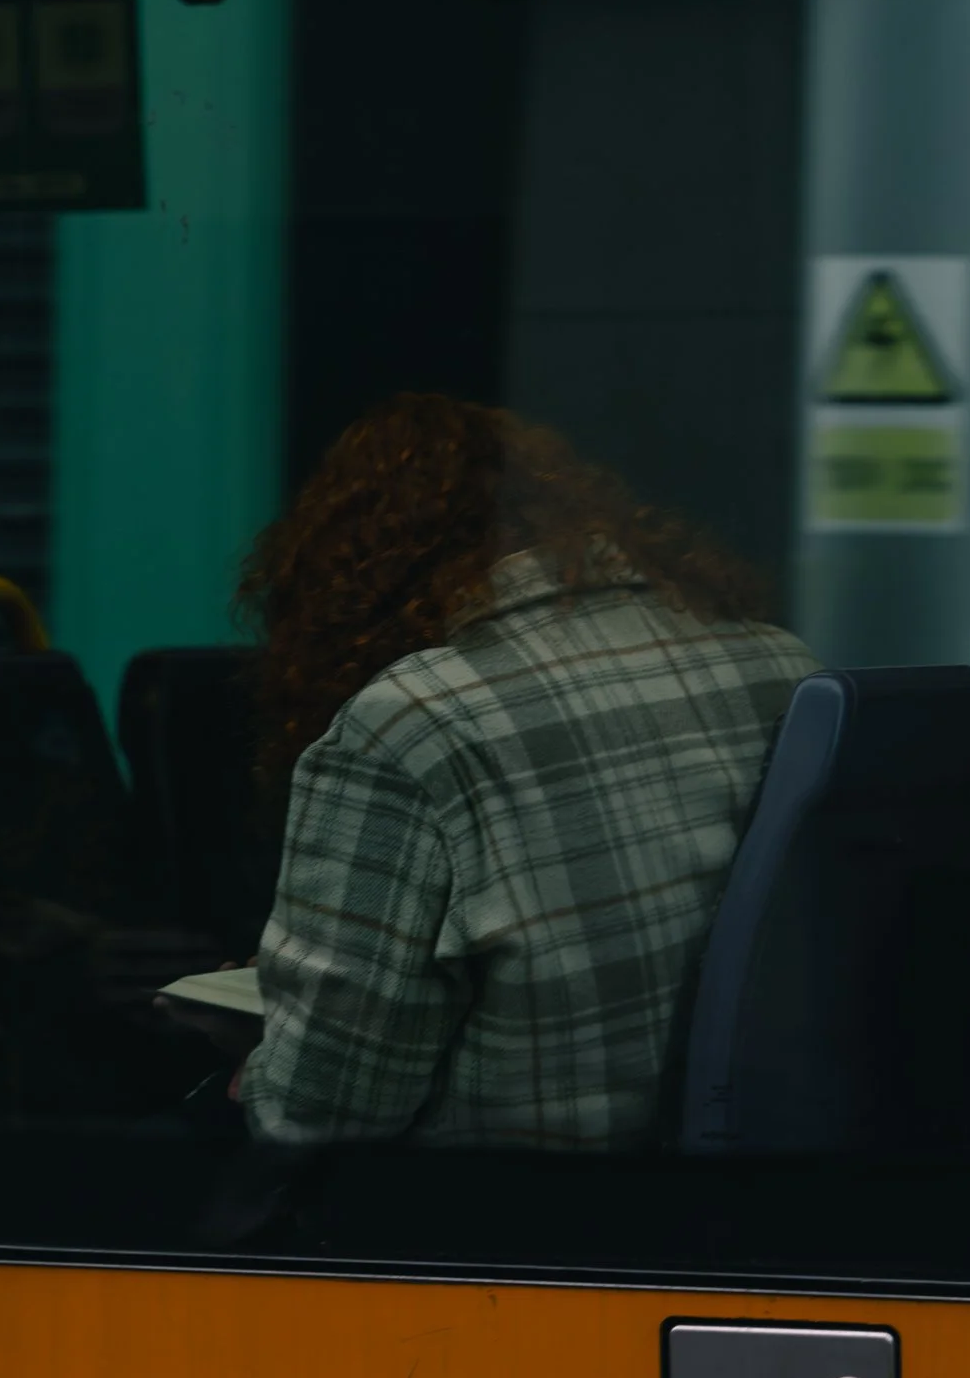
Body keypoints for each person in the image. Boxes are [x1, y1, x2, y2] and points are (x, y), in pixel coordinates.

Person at [233, 393, 816, 1152]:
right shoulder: (778, 661)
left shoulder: (412, 720)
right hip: (727, 1199)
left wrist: (248, 1061)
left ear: (350, 581)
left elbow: (320, 1113)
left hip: (499, 1230)